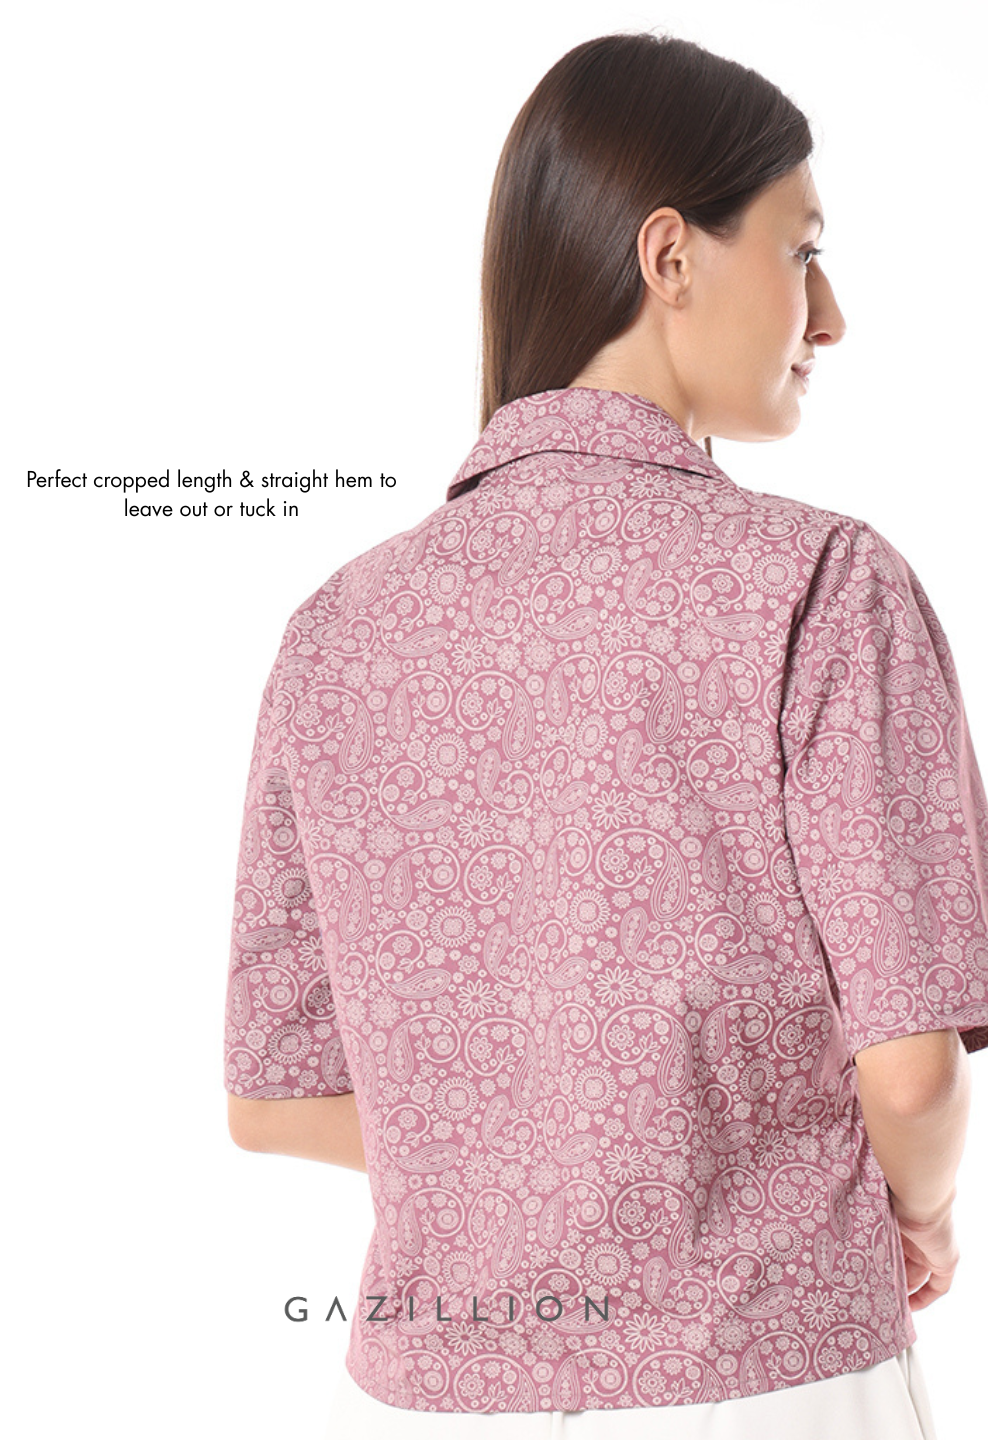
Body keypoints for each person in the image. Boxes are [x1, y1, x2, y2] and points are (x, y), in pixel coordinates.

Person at [223, 31, 988, 1439]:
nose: (829, 316)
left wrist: (532, 1156)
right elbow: (913, 1071)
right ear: (670, 256)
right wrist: (920, 1217)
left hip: (427, 1396)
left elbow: (275, 1097)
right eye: (804, 250)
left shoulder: (334, 631)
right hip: (766, 1376)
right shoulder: (819, 586)